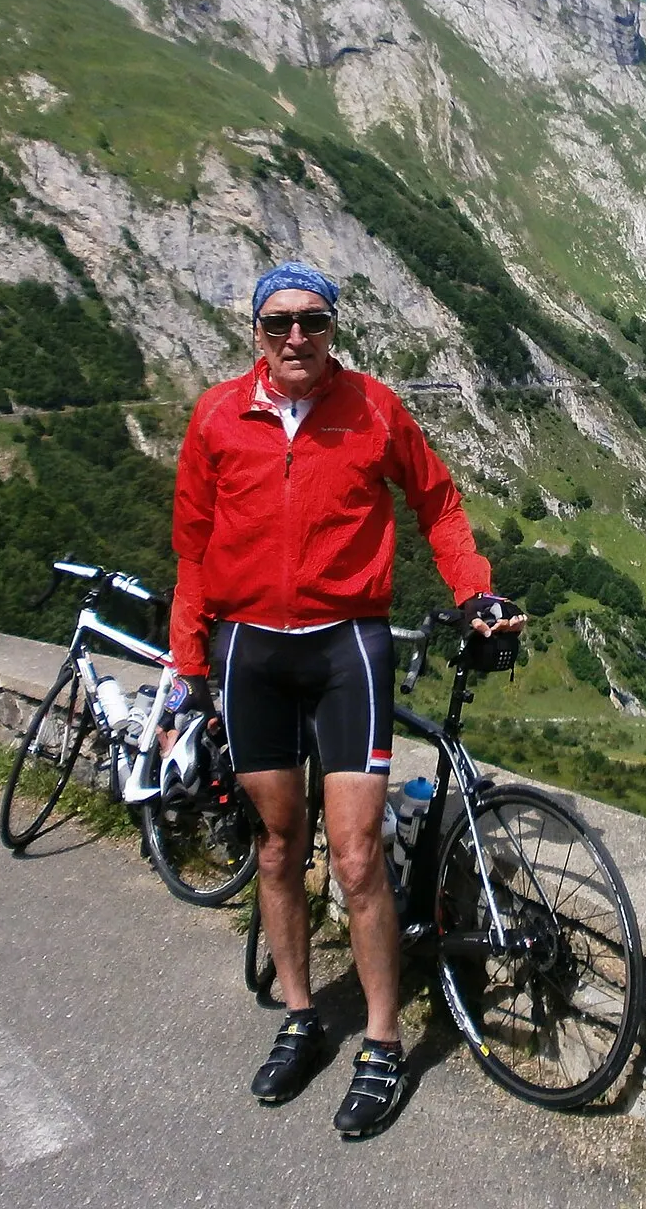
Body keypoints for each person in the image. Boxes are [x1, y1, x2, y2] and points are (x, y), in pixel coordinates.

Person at [167, 259, 524, 1138]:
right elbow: (192, 546)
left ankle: (380, 1041)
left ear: (334, 330)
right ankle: (299, 1018)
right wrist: (187, 665)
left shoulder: (373, 409)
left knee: (359, 858)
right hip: (249, 650)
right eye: (281, 322)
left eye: (315, 323)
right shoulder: (217, 416)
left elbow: (438, 504)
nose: (298, 338)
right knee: (280, 846)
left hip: (345, 651)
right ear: (255, 329)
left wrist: (475, 590)